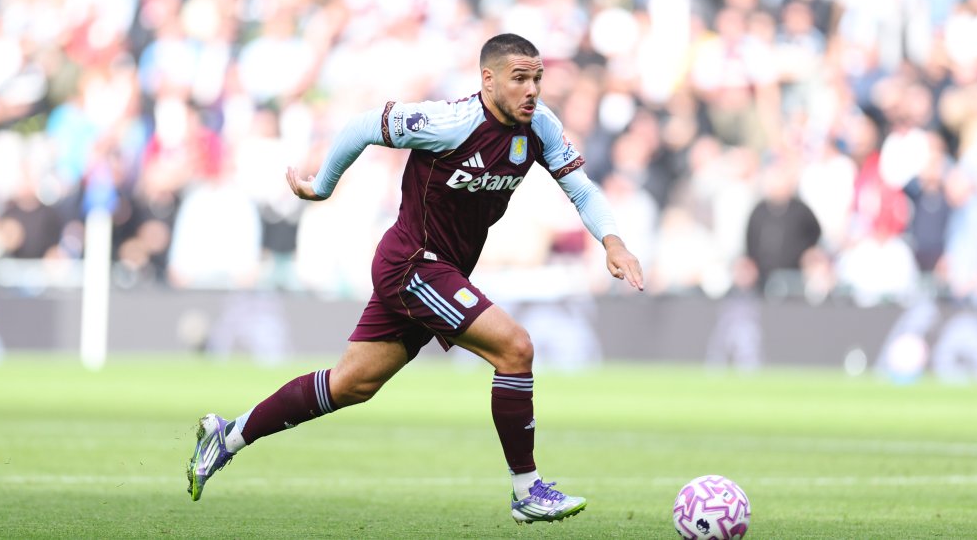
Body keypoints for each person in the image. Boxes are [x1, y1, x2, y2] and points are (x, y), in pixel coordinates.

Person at [186, 34, 645, 523]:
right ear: (487, 80)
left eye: (537, 78)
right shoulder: (450, 122)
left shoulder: (541, 128)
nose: (532, 89)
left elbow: (582, 190)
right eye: (519, 78)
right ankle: (527, 490)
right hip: (413, 264)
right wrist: (322, 186)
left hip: (436, 270)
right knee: (515, 348)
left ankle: (228, 435)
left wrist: (612, 242)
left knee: (350, 385)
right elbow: (365, 125)